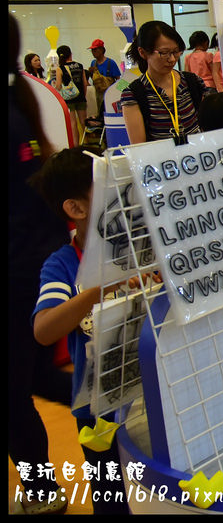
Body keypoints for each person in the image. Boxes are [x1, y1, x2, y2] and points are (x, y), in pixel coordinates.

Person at [31, 146, 134, 515]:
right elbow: (44, 329)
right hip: (97, 415)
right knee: (111, 499)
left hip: (147, 400)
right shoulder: (62, 265)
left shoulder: (137, 246)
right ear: (75, 209)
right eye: (108, 187)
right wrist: (96, 291)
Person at [8, 14, 75, 515]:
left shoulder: (19, 103)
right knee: (26, 379)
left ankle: (42, 493)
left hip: (20, 266)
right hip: (33, 258)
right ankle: (104, 400)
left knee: (15, 387)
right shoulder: (24, 98)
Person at [120, 20, 205, 144]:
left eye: (176, 52)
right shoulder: (133, 95)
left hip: (198, 158)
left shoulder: (192, 82)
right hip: (162, 162)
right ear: (143, 52)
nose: (171, 59)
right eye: (164, 53)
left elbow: (206, 128)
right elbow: (139, 148)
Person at [55, 44, 88, 138]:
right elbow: (85, 83)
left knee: (73, 124)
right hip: (81, 97)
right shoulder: (80, 66)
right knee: (83, 122)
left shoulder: (60, 68)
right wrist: (83, 96)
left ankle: (76, 146)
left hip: (68, 100)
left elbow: (58, 86)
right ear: (70, 54)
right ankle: (86, 143)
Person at [86, 38, 121, 120]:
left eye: (95, 50)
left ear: (102, 50)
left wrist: (119, 94)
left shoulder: (111, 63)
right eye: (92, 50)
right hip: (98, 95)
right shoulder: (93, 63)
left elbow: (119, 79)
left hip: (110, 95)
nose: (93, 52)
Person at [185, 30, 216, 95]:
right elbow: (214, 72)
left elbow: (187, 74)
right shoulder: (208, 55)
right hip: (209, 86)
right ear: (206, 42)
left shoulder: (188, 57)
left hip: (196, 87)